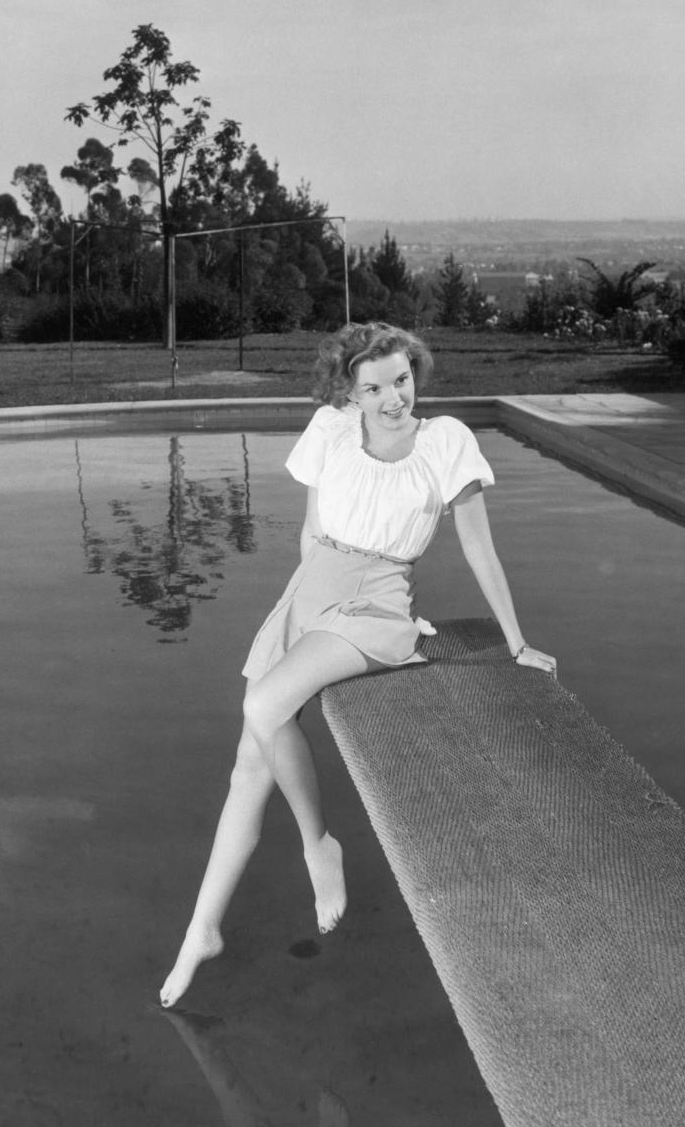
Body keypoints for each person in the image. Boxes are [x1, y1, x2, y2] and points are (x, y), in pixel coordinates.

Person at [160, 322, 555, 1009]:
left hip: (376, 600)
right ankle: (203, 929)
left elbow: (478, 549)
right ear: (351, 390)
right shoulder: (331, 429)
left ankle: (319, 846)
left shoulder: (446, 443)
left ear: (415, 374)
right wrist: (299, 610)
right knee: (247, 766)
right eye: (373, 387)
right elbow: (313, 532)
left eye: (401, 380)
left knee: (261, 708)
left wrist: (516, 641)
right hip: (310, 590)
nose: (392, 398)